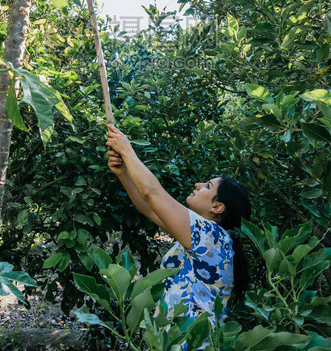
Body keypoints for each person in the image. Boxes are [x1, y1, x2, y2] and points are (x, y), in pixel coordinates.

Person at [106, 123, 251, 332]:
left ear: (217, 207)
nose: (198, 185)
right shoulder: (201, 235)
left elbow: (152, 193)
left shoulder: (213, 237)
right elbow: (150, 208)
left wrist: (127, 150)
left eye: (207, 187)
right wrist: (123, 174)